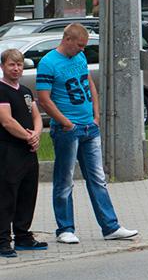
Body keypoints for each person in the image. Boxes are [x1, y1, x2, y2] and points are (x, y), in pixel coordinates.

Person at [35, 24, 137, 244]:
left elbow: (90, 84)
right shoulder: (48, 63)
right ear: (68, 40)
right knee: (64, 180)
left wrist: (96, 115)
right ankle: (65, 229)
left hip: (89, 127)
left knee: (98, 178)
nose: (82, 50)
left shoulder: (79, 59)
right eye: (80, 45)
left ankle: (110, 226)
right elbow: (44, 98)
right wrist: (66, 123)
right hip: (67, 129)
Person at [0, 48, 45, 257]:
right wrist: (28, 137)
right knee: (7, 195)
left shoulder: (26, 90)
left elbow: (36, 115)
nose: (16, 68)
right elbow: (7, 120)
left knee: (28, 194)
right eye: (11, 64)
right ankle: (2, 240)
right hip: (8, 150)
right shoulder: (1, 89)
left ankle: (23, 236)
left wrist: (36, 134)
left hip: (28, 151)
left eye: (19, 64)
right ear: (3, 67)